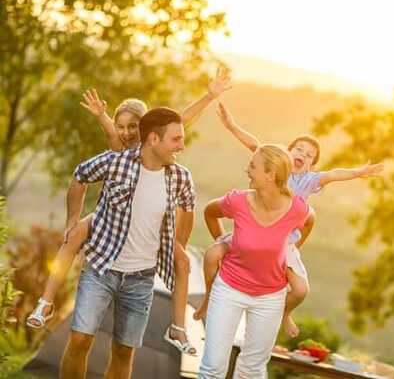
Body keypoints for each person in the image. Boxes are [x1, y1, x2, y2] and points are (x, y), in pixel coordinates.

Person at [27, 68, 231, 353]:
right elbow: (88, 165)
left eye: (133, 127)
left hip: (147, 236)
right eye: (121, 127)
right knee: (72, 238)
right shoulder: (119, 152)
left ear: (147, 131)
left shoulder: (161, 150)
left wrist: (209, 96)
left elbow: (180, 120)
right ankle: (46, 302)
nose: (126, 133)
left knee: (183, 262)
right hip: (108, 217)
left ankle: (179, 327)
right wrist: (72, 219)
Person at [194, 103, 383, 337]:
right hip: (253, 233)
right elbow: (254, 144)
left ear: (312, 166)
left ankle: (283, 313)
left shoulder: (309, 180)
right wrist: (232, 126)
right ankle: (208, 300)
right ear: (287, 152)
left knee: (301, 290)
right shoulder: (274, 164)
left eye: (309, 155)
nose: (302, 155)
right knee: (212, 254)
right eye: (299, 149)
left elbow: (333, 174)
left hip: (282, 244)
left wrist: (357, 172)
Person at [59, 107, 195, 379]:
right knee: (78, 341)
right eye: (176, 139)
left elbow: (188, 209)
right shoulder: (119, 162)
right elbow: (80, 174)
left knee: (124, 351)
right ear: (154, 139)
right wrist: (73, 220)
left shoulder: (180, 176)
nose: (181, 145)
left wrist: (177, 245)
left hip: (141, 279)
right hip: (100, 270)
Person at [199, 144, 314, 378]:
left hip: (270, 298)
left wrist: (291, 249)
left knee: (252, 370)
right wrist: (224, 242)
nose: (247, 170)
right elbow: (210, 212)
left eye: (253, 166)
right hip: (229, 289)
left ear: (271, 175)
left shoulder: (297, 209)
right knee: (213, 367)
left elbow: (310, 220)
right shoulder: (238, 201)